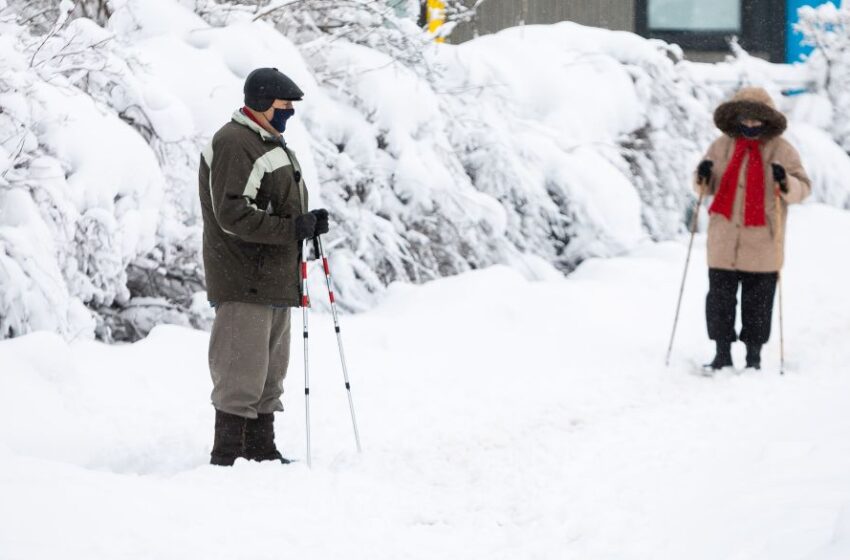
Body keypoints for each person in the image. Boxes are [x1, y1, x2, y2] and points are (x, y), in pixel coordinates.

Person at [198, 68, 329, 466]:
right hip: (243, 278)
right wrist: (293, 228)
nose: (288, 112)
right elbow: (231, 214)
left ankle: (260, 449)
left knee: (270, 373)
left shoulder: (266, 141)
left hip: (273, 278)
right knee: (242, 371)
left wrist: (305, 224)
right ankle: (228, 454)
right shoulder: (235, 142)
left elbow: (274, 204)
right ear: (259, 103)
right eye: (282, 105)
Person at [694, 87, 810, 371]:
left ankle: (753, 357)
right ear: (736, 118)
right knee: (719, 301)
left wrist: (786, 182)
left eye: (756, 120)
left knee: (757, 303)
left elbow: (802, 189)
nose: (750, 125)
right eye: (745, 119)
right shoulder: (721, 146)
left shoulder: (782, 150)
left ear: (767, 121)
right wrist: (703, 175)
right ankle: (721, 354)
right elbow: (703, 188)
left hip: (764, 240)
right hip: (724, 239)